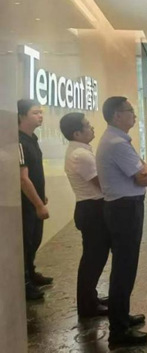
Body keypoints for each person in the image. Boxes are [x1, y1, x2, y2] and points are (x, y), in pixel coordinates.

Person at [96, 96, 147, 348]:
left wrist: (146, 171)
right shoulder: (117, 143)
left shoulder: (118, 140)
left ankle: (121, 316)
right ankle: (118, 331)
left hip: (123, 207)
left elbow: (142, 170)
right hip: (124, 209)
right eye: (130, 110)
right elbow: (144, 176)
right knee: (124, 269)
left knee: (125, 267)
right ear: (116, 115)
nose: (134, 114)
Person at [59, 112, 110, 317]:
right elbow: (102, 183)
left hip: (92, 207)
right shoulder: (80, 155)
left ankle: (90, 297)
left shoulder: (81, 150)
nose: (92, 128)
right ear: (77, 133)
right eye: (87, 125)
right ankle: (87, 305)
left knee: (95, 257)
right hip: (92, 209)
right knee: (93, 258)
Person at [18, 99, 51, 301]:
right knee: (26, 242)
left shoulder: (33, 138)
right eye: (35, 113)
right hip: (25, 204)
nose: (40, 116)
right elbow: (22, 178)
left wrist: (41, 195)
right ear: (21, 115)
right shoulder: (18, 142)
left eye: (41, 112)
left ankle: (31, 273)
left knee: (35, 240)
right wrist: (38, 204)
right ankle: (24, 283)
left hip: (35, 199)